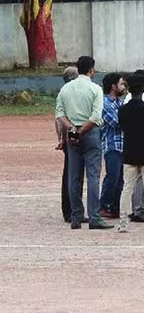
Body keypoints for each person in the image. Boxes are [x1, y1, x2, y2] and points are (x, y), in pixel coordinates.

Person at [55, 55, 113, 230]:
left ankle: (76, 216)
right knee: (93, 176)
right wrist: (83, 130)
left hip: (72, 133)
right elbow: (96, 117)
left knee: (74, 176)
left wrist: (72, 128)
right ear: (91, 70)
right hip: (90, 132)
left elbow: (60, 113)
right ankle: (94, 216)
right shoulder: (95, 89)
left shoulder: (66, 89)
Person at [117, 72, 144, 232]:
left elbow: (121, 126)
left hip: (129, 150)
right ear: (143, 88)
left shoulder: (123, 110)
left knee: (127, 187)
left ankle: (123, 222)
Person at [98, 72, 126, 219]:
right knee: (113, 176)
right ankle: (104, 205)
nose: (123, 86)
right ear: (113, 86)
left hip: (123, 145)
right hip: (112, 145)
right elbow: (116, 122)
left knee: (121, 178)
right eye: (121, 84)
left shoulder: (120, 102)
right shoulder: (105, 103)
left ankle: (115, 207)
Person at [57, 66, 82, 223]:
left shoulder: (63, 92)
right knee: (73, 175)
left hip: (67, 137)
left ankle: (69, 209)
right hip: (73, 136)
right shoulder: (71, 92)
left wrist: (60, 138)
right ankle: (72, 210)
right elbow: (60, 117)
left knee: (70, 173)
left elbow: (58, 118)